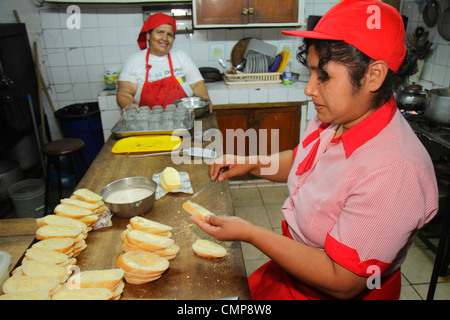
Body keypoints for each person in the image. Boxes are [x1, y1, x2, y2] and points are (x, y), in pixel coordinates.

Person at [190, 0, 439, 300]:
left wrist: (251, 233)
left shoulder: (395, 171)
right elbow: (303, 160)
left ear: (374, 75)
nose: (309, 89)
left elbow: (343, 281)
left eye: (323, 76)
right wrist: (252, 164)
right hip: (293, 272)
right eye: (310, 73)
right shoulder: (338, 115)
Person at [117, 13, 212, 112]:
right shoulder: (134, 61)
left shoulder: (180, 56)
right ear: (148, 35)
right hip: (149, 122)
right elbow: (124, 94)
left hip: (184, 117)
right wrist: (128, 106)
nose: (165, 39)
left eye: (169, 35)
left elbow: (197, 84)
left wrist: (205, 102)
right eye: (160, 32)